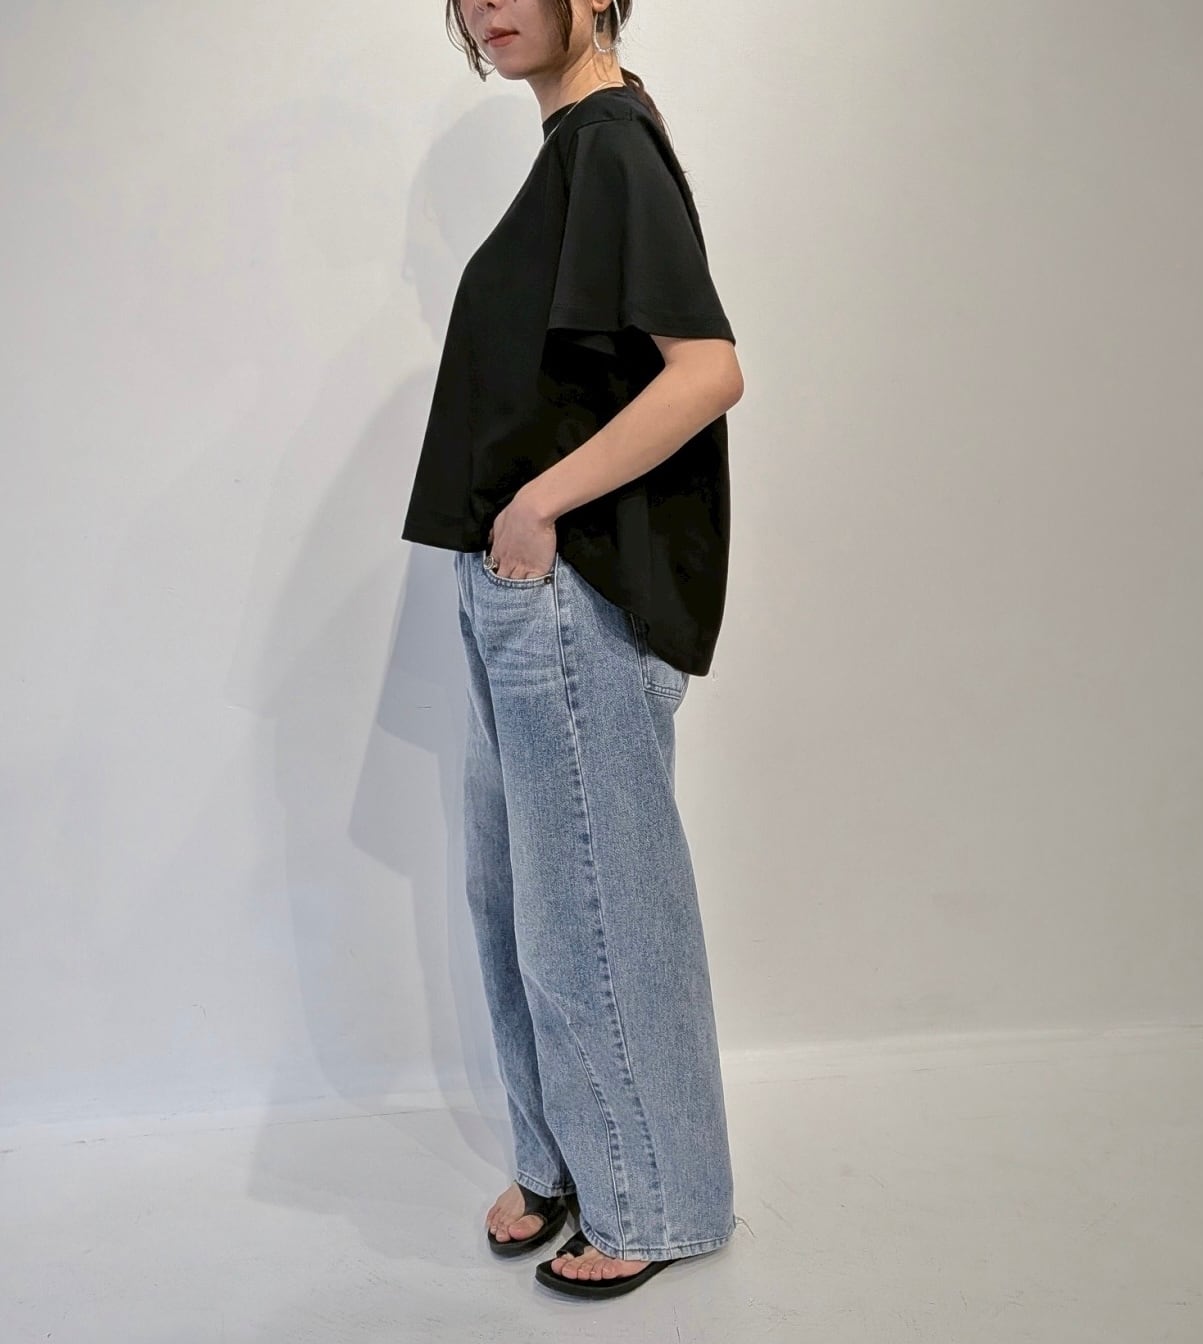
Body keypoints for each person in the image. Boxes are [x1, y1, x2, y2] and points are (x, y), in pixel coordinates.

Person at [401, 0, 744, 1301]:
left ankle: (653, 1196)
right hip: (517, 586)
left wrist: (540, 504)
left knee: (592, 909)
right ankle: (561, 1163)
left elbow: (706, 369)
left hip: (570, 592)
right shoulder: (572, 151)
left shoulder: (609, 141)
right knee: (520, 900)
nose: (486, 8)